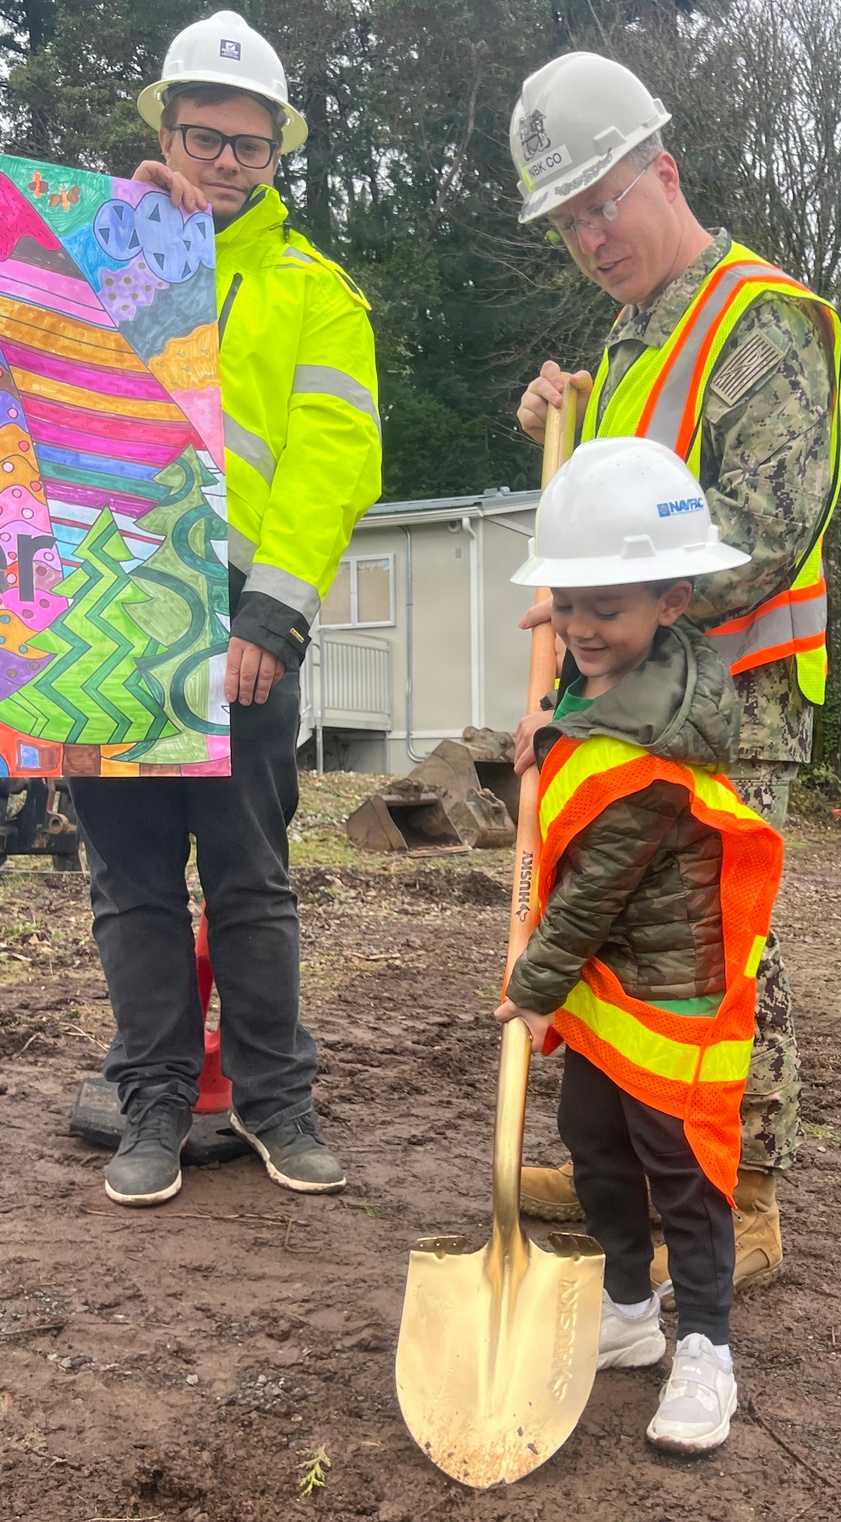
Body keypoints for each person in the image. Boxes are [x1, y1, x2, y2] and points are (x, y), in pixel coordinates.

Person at [507, 51, 841, 1298]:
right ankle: (641, 1178)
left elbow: (763, 524)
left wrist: (595, 612)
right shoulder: (633, 332)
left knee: (714, 945)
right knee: (612, 929)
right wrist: (564, 416)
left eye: (605, 199)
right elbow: (619, 498)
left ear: (664, 170)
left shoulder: (757, 316)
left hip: (729, 700)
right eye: (569, 218)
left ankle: (740, 1191)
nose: (591, 234)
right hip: (627, 696)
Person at [69, 11, 381, 1206]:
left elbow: (335, 457)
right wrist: (115, 246)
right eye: (206, 137)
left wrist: (274, 616)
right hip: (110, 618)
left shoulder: (315, 292)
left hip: (242, 629)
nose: (226, 163)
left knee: (248, 879)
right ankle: (152, 1104)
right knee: (130, 886)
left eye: (252, 148)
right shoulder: (89, 261)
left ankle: (273, 1102)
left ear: (276, 155)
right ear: (165, 126)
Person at [494, 436, 782, 1452]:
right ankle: (627, 1311)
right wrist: (553, 725)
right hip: (613, 990)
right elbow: (589, 709)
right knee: (594, 1145)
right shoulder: (620, 674)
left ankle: (706, 1345)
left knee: (683, 1167)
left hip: (667, 993)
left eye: (602, 609)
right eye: (563, 602)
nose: (576, 627)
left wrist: (530, 990)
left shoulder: (653, 747)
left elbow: (592, 897)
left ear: (670, 602)